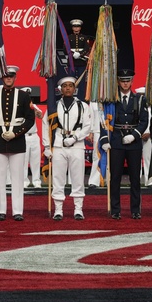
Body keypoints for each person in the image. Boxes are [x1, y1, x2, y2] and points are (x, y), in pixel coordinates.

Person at [0, 66, 33, 221]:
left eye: (11, 76)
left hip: (17, 141)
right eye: (6, 76)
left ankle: (18, 211)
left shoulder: (24, 96)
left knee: (18, 178)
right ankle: (0, 211)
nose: (9, 79)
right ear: (2, 78)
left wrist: (16, 133)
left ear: (15, 78)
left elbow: (30, 119)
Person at [97, 70, 148, 220]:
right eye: (122, 81)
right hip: (117, 141)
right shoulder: (111, 100)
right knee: (115, 178)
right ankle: (115, 210)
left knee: (135, 178)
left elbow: (144, 121)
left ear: (132, 82)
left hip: (134, 142)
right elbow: (104, 120)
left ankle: (135, 210)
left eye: (128, 81)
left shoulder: (139, 100)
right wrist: (105, 139)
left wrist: (134, 135)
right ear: (118, 82)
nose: (125, 83)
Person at [43, 76, 92, 220]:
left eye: (71, 86)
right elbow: (46, 125)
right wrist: (47, 145)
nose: (68, 88)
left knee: (77, 178)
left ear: (75, 89)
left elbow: (87, 126)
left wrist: (75, 138)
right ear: (60, 89)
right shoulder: (54, 106)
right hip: (58, 143)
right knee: (58, 178)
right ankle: (58, 209)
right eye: (65, 86)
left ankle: (78, 209)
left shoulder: (83, 106)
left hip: (76, 144)